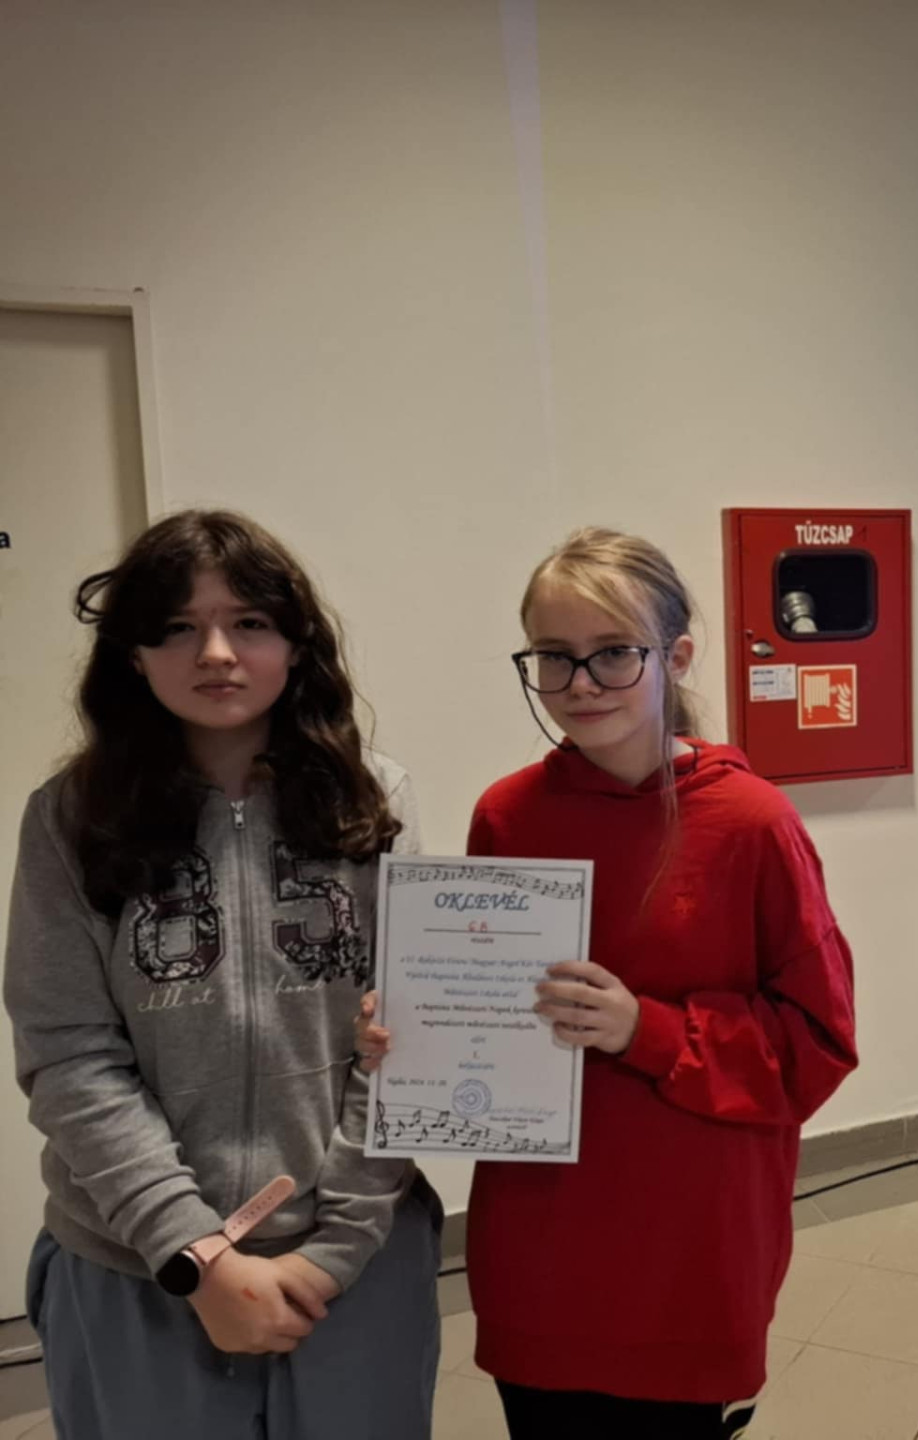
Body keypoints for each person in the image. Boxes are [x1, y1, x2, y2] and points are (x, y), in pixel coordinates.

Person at [360, 527, 857, 1438]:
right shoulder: (508, 815)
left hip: (688, 1248)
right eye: (554, 656)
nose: (581, 683)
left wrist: (646, 1030)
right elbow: (488, 1004)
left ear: (677, 657)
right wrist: (411, 1028)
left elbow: (816, 1046)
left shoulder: (753, 824)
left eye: (614, 653)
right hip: (540, 1241)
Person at [4, 510, 439, 1440]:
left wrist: (334, 1251)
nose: (215, 653)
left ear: (295, 641)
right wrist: (193, 1255)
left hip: (356, 1264)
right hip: (136, 1267)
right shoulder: (69, 819)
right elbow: (68, 1054)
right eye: (176, 627)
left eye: (249, 622)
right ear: (131, 653)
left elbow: (409, 1038)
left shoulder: (377, 801)